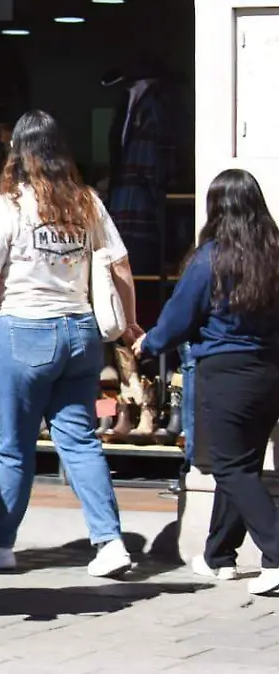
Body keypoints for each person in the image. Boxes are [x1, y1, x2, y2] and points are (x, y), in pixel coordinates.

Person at [0, 110, 140, 579]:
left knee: (15, 448)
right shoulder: (87, 202)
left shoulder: (8, 207)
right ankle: (110, 541)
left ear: (18, 150)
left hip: (25, 331)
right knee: (79, 441)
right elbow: (119, 266)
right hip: (80, 332)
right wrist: (130, 321)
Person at [133, 168, 279, 595]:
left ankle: (275, 553)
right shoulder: (273, 255)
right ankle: (220, 556)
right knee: (244, 465)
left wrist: (150, 343)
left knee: (231, 467)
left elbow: (180, 317)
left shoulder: (210, 258)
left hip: (226, 371)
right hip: (270, 370)